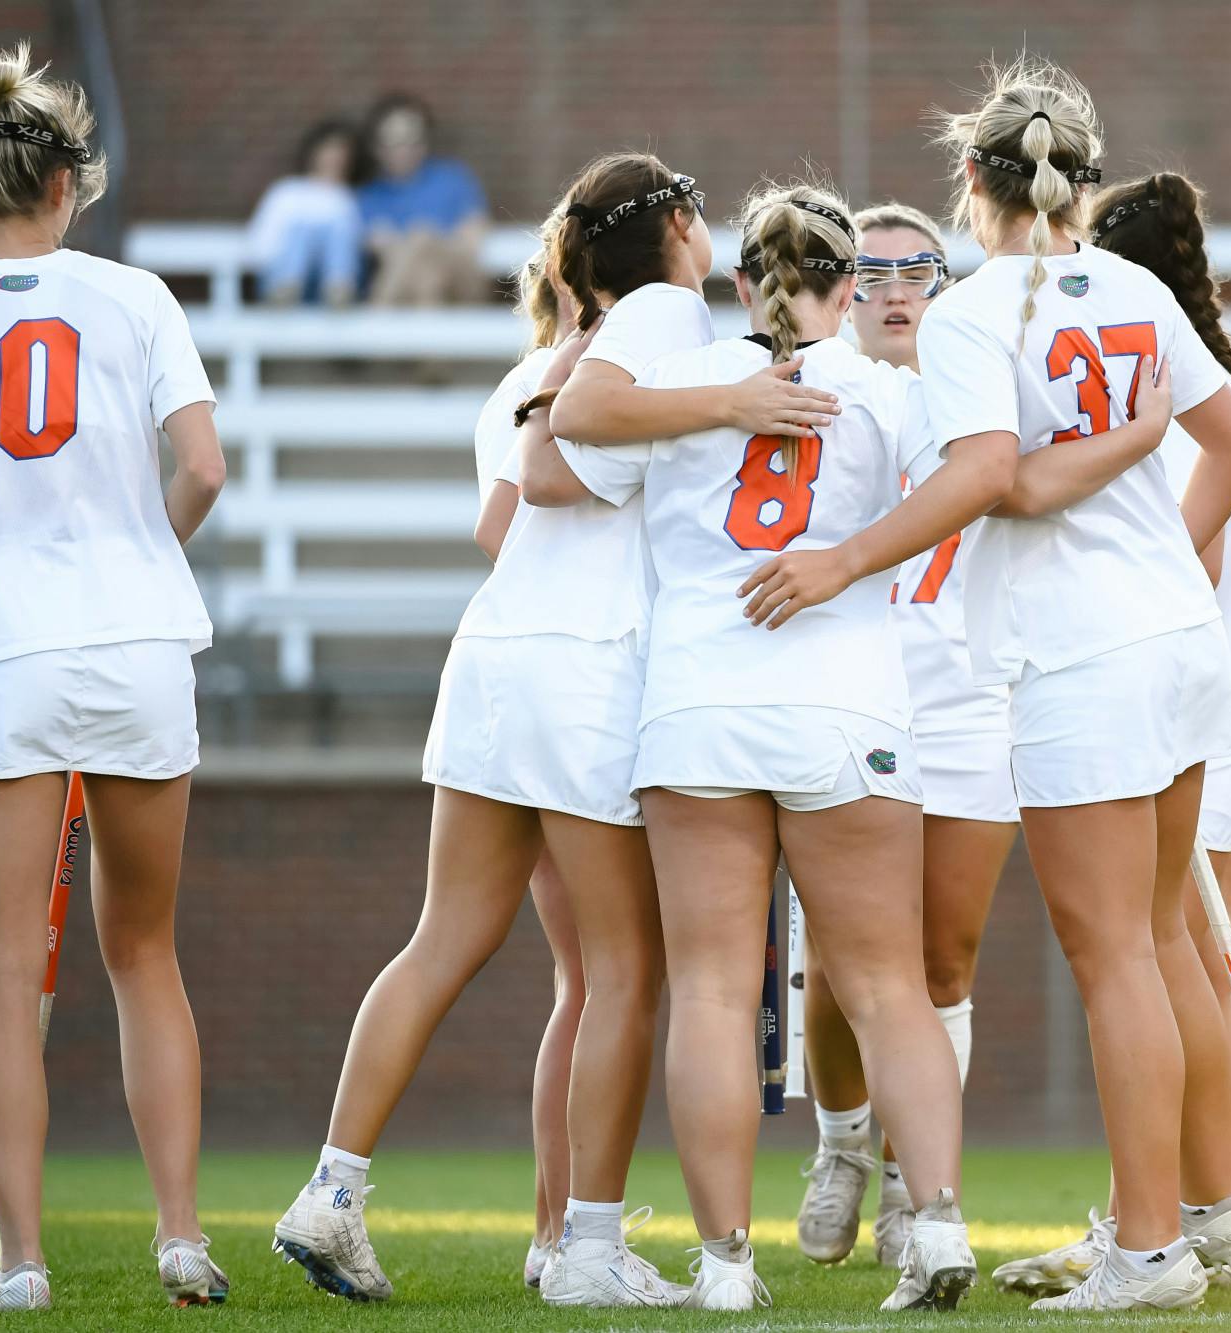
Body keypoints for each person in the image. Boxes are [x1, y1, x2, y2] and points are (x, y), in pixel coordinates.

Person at [272, 153, 836, 1310]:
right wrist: (732, 398)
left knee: (459, 946)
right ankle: (584, 1242)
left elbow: (505, 512)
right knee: (625, 972)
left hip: (497, 655)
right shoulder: (673, 315)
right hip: (587, 673)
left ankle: (335, 1190)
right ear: (678, 226)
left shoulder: (541, 358)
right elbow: (555, 461)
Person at [519, 179, 1058, 1312]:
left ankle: (722, 1264)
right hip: (845, 699)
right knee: (887, 987)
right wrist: (847, 560)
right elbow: (984, 471)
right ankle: (939, 1225)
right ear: (845, 284)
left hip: (698, 701)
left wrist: (704, 397)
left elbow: (559, 439)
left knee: (713, 991)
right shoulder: (876, 383)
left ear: (736, 280)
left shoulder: (678, 376)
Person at [918, 57, 1231, 1311]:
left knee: (1114, 951)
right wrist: (1155, 564)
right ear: (1081, 172)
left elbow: (996, 481)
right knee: (1162, 939)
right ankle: (1192, 1225)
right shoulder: (1129, 285)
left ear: (972, 177)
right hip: (1175, 634)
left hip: (1079, 655)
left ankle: (1151, 1250)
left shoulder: (965, 316)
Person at [0, 43, 229, 1312]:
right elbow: (199, 469)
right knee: (145, 952)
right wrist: (139, 555)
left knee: (3, 968)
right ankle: (182, 1234)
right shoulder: (136, 295)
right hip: (140, 644)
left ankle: (20, 1262)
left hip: (1, 652)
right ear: (67, 185)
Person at [994, 171, 1231, 1297]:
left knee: (1174, 959)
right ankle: (1190, 1218)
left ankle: (1195, 1221)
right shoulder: (1196, 379)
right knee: (1181, 959)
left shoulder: (1145, 401)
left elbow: (1185, 560)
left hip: (1172, 685)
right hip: (1221, 683)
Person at [792, 203, 1019, 1268]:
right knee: (842, 961)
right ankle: (842, 1144)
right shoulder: (811, 389)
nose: (891, 290)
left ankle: (913, 1179)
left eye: (913, 270)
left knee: (941, 959)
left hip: (968, 693)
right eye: (867, 272)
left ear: (944, 279)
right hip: (854, 686)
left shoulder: (985, 378)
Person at [469, 242, 584, 1290]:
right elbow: (500, 524)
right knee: (595, 979)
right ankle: (561, 1232)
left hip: (522, 690)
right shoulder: (552, 380)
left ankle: (560, 1227)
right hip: (562, 698)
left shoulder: (548, 376)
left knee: (580, 980)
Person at [355, 94, 489, 306]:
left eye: (414, 141)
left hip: (456, 290)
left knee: (425, 255)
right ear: (376, 148)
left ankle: (377, 317)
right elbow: (375, 250)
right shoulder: (367, 198)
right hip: (407, 296)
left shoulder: (454, 180)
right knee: (424, 275)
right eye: (394, 143)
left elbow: (473, 242)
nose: (405, 151)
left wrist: (427, 243)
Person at [246, 118, 364, 307]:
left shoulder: (350, 199)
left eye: (341, 151)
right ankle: (286, 288)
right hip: (282, 277)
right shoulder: (287, 191)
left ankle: (339, 291)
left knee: (337, 233)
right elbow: (260, 244)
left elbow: (354, 247)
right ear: (313, 152)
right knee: (301, 232)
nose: (334, 157)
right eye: (329, 149)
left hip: (328, 289)